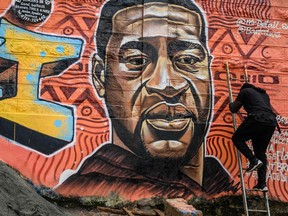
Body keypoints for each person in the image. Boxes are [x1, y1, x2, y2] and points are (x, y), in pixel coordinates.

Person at [56, 0, 238, 199]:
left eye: (188, 60)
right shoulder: (90, 187)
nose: (167, 85)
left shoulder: (219, 183)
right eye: (136, 61)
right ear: (100, 76)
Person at [229, 83, 277, 192]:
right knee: (260, 152)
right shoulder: (264, 95)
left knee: (237, 138)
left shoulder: (244, 91)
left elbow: (234, 109)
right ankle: (262, 184)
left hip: (257, 118)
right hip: (271, 122)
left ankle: (253, 160)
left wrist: (231, 104)